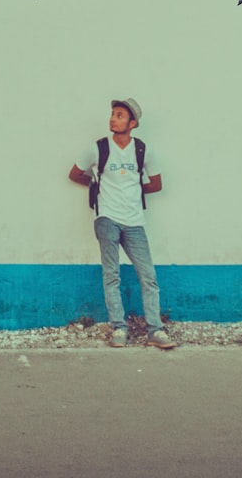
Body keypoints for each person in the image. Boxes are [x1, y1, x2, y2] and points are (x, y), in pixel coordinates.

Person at [69, 98, 175, 349]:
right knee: (112, 275)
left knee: (148, 276)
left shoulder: (143, 150)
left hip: (134, 221)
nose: (113, 119)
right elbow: (74, 174)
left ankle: (155, 331)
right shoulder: (98, 148)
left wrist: (134, 191)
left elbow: (156, 184)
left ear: (132, 123)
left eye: (119, 115)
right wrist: (97, 186)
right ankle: (118, 328)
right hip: (106, 218)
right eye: (113, 114)